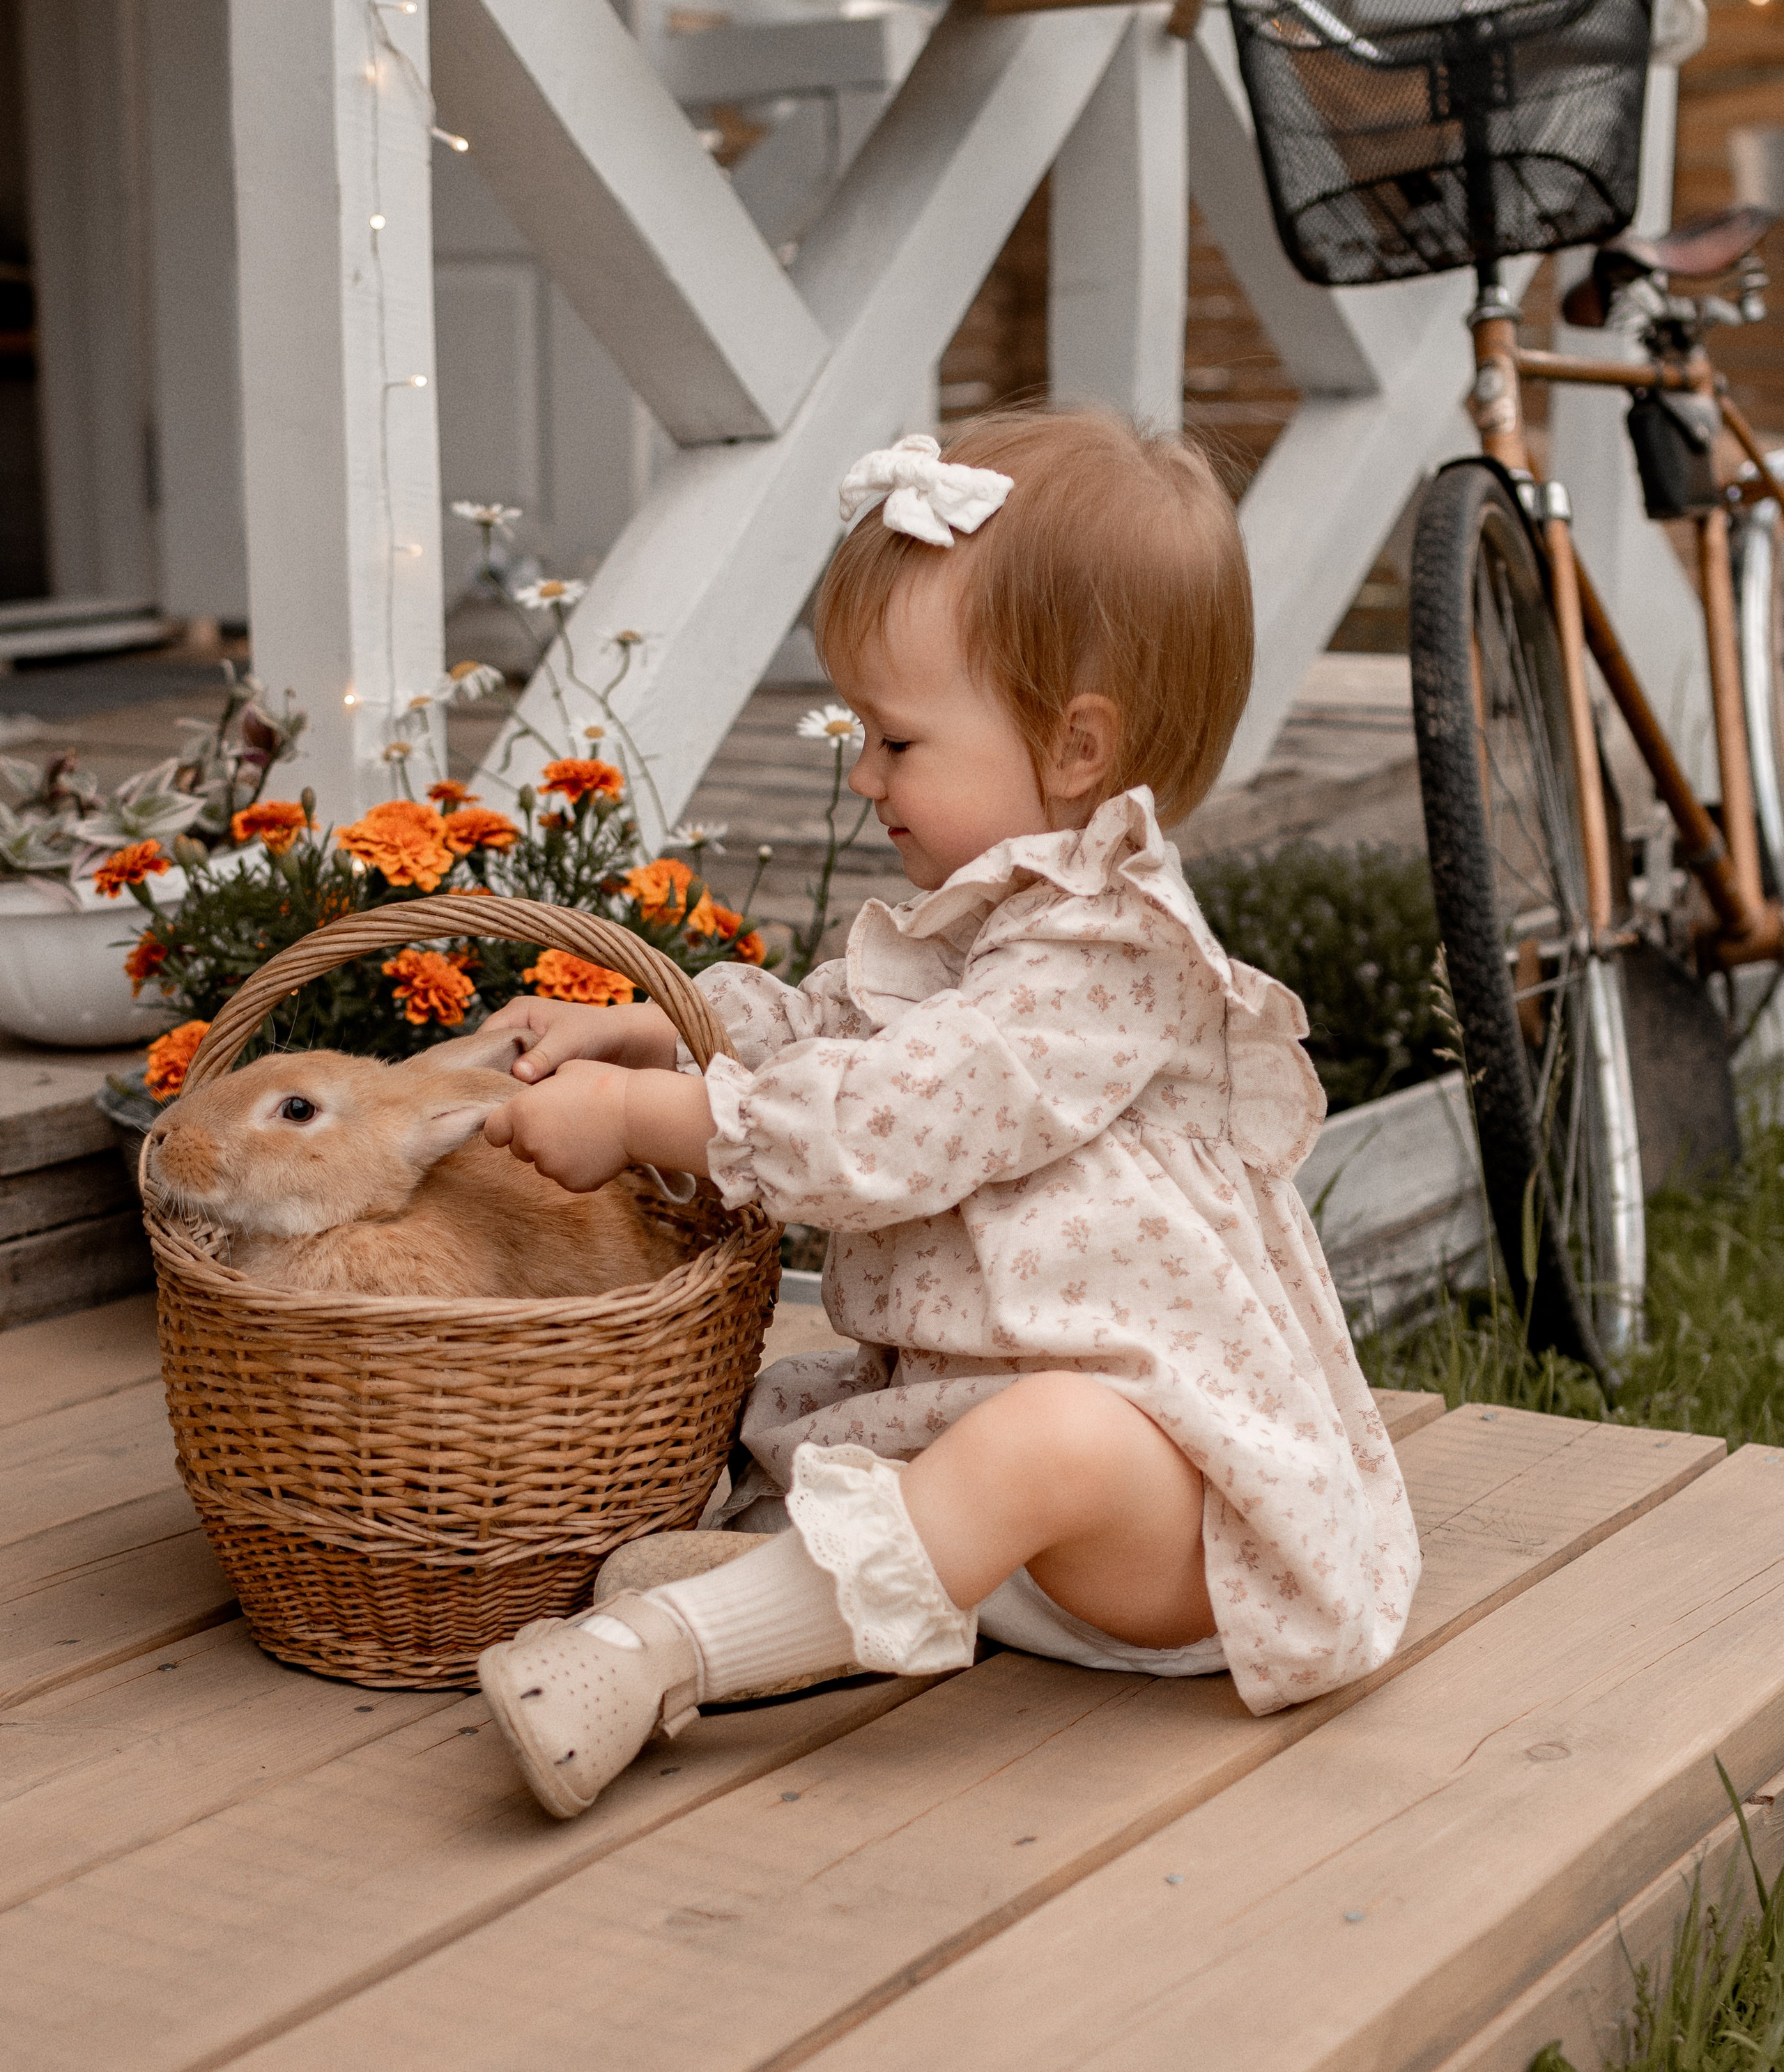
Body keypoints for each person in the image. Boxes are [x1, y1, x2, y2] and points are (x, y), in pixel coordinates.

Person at [475, 410, 1421, 1820]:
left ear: (1075, 745)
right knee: (879, 1437)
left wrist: (647, 1117)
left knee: (1054, 1439)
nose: (862, 774)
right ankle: (830, 1601)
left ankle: (665, 1657)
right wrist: (665, 1026)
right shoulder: (988, 920)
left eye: (896, 737)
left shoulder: (1107, 954)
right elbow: (832, 1031)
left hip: (1166, 1530)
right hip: (987, 1464)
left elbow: (883, 1121)